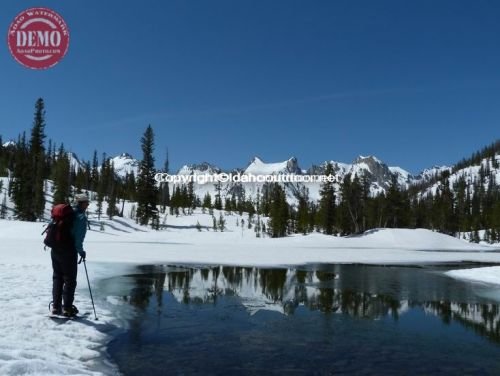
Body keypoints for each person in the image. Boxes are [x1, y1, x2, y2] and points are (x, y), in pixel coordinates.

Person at [51, 193, 89, 317]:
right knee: (70, 280)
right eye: (86, 203)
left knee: (58, 277)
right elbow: (78, 239)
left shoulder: (64, 213)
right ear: (81, 203)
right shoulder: (80, 217)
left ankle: (56, 307)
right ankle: (67, 308)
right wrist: (81, 251)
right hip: (68, 251)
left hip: (55, 249)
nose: (87, 205)